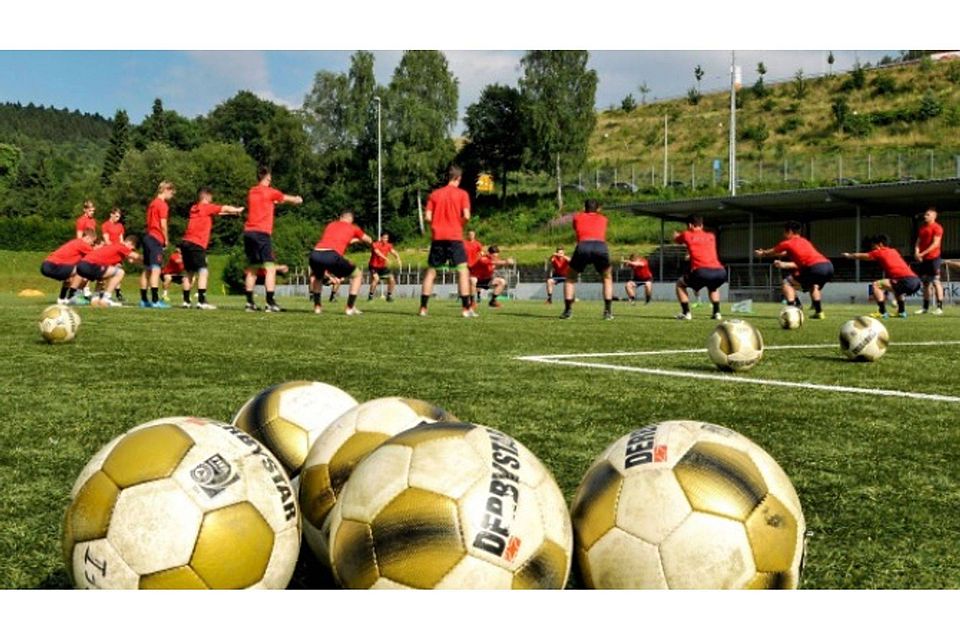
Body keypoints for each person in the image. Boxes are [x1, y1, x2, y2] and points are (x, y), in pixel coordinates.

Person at [243, 167, 303, 312]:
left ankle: (250, 303)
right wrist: (296, 199)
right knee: (270, 268)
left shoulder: (252, 191)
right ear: (268, 178)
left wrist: (274, 203)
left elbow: (265, 203)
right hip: (262, 233)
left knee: (253, 268)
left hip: (248, 232)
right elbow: (285, 198)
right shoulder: (270, 192)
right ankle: (270, 302)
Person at [419, 165, 474, 318]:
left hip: (438, 238)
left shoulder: (434, 194)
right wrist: (458, 224)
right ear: (459, 178)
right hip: (455, 237)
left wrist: (436, 227)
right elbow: (467, 216)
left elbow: (428, 217)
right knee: (463, 271)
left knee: (431, 272)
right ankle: (465, 309)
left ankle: (423, 308)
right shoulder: (462, 194)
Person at [180, 187, 244, 310]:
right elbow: (223, 208)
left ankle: (186, 301)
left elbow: (218, 212)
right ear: (206, 197)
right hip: (197, 243)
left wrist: (232, 213)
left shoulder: (194, 208)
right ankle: (202, 301)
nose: (212, 199)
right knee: (203, 271)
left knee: (189, 273)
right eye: (211, 197)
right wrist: (237, 209)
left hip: (186, 242)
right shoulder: (206, 207)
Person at [754, 221, 833, 320]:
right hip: (828, 266)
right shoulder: (804, 241)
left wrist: (763, 253)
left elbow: (773, 251)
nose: (783, 234)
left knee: (787, 282)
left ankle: (791, 309)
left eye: (784, 232)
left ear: (790, 231)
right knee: (812, 285)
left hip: (814, 268)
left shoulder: (787, 243)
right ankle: (819, 312)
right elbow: (784, 253)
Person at [309, 211, 373, 316]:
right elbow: (368, 239)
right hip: (331, 255)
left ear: (340, 217)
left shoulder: (331, 225)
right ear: (351, 219)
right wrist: (368, 241)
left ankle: (317, 307)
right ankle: (350, 307)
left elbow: (342, 240)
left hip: (315, 254)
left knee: (318, 278)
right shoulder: (353, 227)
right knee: (357, 275)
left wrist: (356, 240)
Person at [843, 234, 921, 319]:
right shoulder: (894, 251)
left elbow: (864, 256)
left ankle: (882, 312)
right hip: (916, 281)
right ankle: (901, 312)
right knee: (898, 289)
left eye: (873, 245)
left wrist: (849, 256)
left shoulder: (879, 252)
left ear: (880, 244)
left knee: (876, 285)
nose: (872, 247)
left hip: (905, 280)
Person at [562, 199, 614, 320]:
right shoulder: (604, 219)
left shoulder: (577, 217)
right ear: (598, 208)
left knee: (570, 278)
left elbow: (576, 228)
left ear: (584, 207)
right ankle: (608, 312)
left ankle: (567, 311)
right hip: (600, 246)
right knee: (607, 277)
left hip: (583, 246)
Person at [673, 215, 726, 321]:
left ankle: (686, 313)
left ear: (690, 225)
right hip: (720, 272)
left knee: (680, 284)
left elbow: (677, 240)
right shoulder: (711, 236)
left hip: (701, 271)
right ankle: (717, 313)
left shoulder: (687, 234)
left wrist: (676, 235)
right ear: (702, 225)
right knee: (713, 287)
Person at [139, 181, 176, 309]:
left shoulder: (152, 203)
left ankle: (144, 300)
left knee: (147, 270)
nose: (172, 195)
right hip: (156, 238)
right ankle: (155, 300)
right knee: (156, 269)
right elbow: (163, 225)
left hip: (147, 237)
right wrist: (166, 240)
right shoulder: (162, 205)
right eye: (172, 192)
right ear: (166, 190)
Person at [76, 235, 142, 308]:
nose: (131, 251)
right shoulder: (122, 247)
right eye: (132, 249)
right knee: (120, 272)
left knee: (104, 275)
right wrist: (151, 260)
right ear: (129, 243)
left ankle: (95, 298)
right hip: (89, 265)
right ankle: (106, 298)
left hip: (82, 265)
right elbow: (136, 256)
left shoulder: (114, 247)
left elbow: (132, 261)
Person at [42, 230, 96, 304]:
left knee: (69, 277)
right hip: (53, 265)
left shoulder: (76, 243)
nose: (92, 244)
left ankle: (62, 298)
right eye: (92, 241)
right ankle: (71, 297)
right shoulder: (82, 244)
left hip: (47, 265)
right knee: (81, 271)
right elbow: (97, 255)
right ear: (87, 238)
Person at [914, 206, 944, 315]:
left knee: (936, 282)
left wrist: (921, 253)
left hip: (934, 258)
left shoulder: (937, 228)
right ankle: (925, 308)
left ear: (934, 216)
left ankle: (939, 308)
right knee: (925, 283)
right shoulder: (922, 228)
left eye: (928, 215)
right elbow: (918, 242)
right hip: (924, 259)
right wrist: (916, 252)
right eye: (925, 214)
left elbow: (935, 244)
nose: (925, 216)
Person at [367, 232, 402, 302]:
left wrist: (398, 258)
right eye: (384, 238)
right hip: (373, 266)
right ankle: (370, 296)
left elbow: (393, 252)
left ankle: (389, 296)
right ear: (381, 238)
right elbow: (378, 253)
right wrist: (386, 259)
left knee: (392, 280)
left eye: (387, 238)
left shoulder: (388, 245)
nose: (386, 239)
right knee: (376, 279)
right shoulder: (375, 244)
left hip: (382, 267)